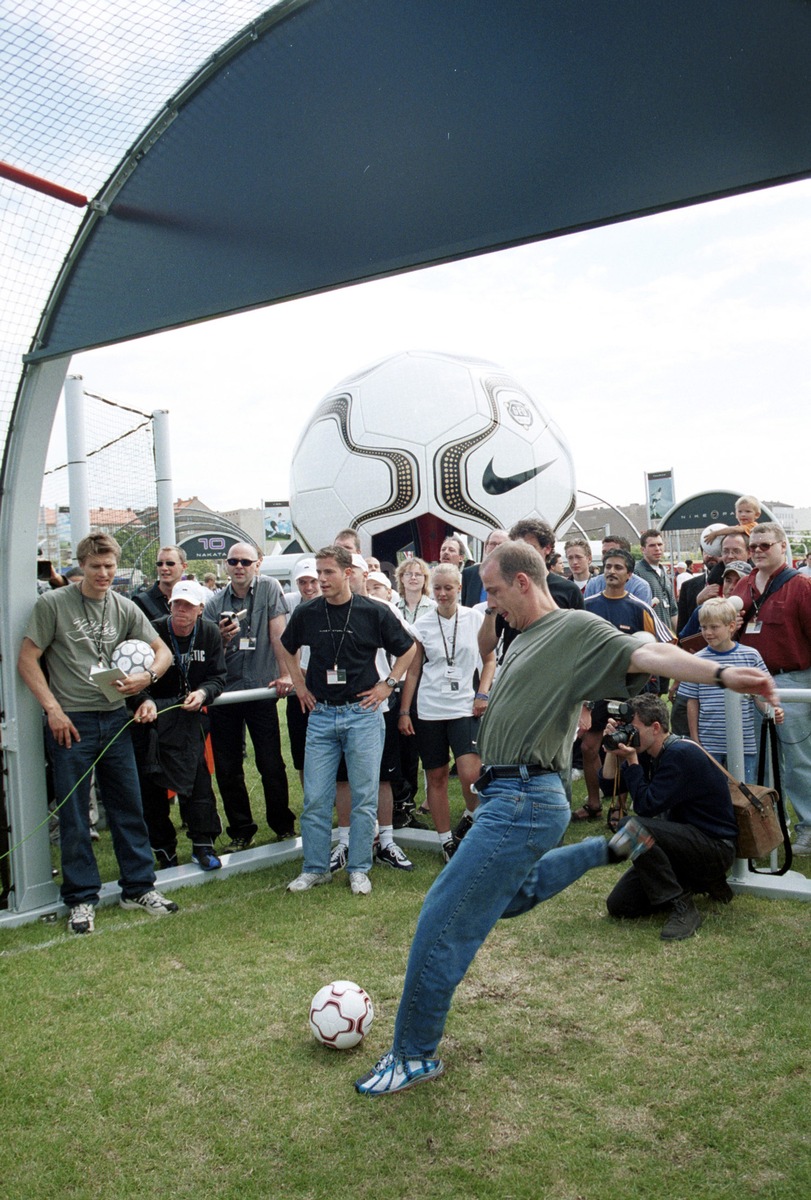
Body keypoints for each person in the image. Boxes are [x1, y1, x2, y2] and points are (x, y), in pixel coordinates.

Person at [353, 540, 778, 1095]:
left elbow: (647, 654)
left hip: (524, 799)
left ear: (524, 582)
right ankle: (606, 848)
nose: (491, 603)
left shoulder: (574, 628)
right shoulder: (521, 636)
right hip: (511, 796)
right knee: (509, 894)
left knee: (443, 918)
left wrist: (717, 675)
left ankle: (413, 1054)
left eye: (496, 591)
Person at [17, 533, 179, 934]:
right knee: (75, 814)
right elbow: (27, 658)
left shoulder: (124, 606)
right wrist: (52, 709)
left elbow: (164, 652)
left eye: (110, 567)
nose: (104, 574)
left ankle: (138, 888)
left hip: (116, 719)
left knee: (128, 804)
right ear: (82, 566)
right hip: (72, 722)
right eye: (96, 567)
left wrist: (147, 676)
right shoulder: (53, 604)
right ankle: (81, 898)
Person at [280, 545, 416, 895]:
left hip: (363, 715)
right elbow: (286, 646)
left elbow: (409, 648)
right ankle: (314, 868)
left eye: (328, 572)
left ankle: (358, 868)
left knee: (364, 796)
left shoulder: (373, 611)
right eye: (318, 573)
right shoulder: (308, 612)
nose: (321, 579)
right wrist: (298, 683)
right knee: (314, 798)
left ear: (346, 573)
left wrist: (388, 685)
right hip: (322, 714)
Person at [603, 695, 744, 937]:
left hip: (714, 847)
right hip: (682, 846)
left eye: (633, 729)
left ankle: (682, 905)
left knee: (631, 827)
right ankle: (700, 882)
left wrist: (632, 761)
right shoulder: (650, 751)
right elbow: (607, 782)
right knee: (619, 905)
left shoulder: (680, 754)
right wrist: (612, 748)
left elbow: (646, 807)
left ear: (655, 727)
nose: (630, 736)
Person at [398, 564, 494, 861]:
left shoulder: (475, 618)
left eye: (448, 588)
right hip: (429, 710)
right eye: (437, 588)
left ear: (459, 589)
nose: (441, 593)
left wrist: (482, 693)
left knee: (471, 773)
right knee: (436, 776)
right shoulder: (422, 625)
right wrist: (404, 711)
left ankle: (471, 818)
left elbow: (489, 661)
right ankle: (445, 841)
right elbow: (413, 673)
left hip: (465, 707)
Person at [130, 580, 227, 870]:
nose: (180, 611)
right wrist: (143, 699)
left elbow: (218, 676)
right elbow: (134, 673)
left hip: (189, 716)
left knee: (198, 782)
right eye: (176, 604)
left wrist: (203, 693)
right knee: (152, 785)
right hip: (152, 718)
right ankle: (163, 850)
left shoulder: (209, 632)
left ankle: (203, 845)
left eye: (187, 606)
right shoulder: (153, 629)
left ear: (200, 609)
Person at [204, 542, 296, 850]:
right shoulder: (214, 602)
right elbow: (207, 650)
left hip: (259, 688)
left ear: (258, 563)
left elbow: (278, 635)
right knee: (228, 768)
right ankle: (241, 831)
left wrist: (285, 674)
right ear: (226, 565)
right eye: (233, 561)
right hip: (225, 693)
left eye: (245, 561)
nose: (239, 566)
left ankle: (282, 825)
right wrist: (220, 635)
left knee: (270, 762)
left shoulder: (269, 588)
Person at [574, 548, 674, 823]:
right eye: (608, 566)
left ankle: (620, 805)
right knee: (588, 747)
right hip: (596, 690)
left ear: (629, 575)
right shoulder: (587, 605)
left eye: (619, 567)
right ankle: (594, 803)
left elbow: (665, 643)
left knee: (623, 746)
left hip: (631, 693)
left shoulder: (639, 608)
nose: (612, 571)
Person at [731, 522, 811, 855]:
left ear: (782, 547)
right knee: (757, 758)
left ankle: (808, 826)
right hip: (748, 683)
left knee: (796, 758)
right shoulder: (743, 586)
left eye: (765, 545)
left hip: (790, 681)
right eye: (753, 547)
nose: (758, 551)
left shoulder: (801, 587)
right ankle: (768, 828)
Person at [678, 597, 781, 782]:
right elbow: (692, 701)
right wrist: (695, 739)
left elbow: (760, 695)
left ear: (731, 626)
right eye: (703, 627)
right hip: (709, 742)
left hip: (743, 743)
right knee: (712, 793)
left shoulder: (750, 656)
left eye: (714, 627)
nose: (707, 633)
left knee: (744, 794)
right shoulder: (696, 661)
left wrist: (773, 711)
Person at [584, 535, 652, 604]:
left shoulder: (640, 587)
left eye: (612, 552)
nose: (607, 556)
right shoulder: (593, 584)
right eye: (604, 553)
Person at [634, 530, 677, 630]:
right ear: (643, 549)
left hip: (667, 637)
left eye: (660, 544)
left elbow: (673, 611)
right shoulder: (636, 573)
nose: (657, 549)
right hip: (649, 636)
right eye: (652, 545)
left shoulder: (664, 572)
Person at [132, 545, 187, 621]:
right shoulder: (140, 602)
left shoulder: (194, 599)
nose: (164, 568)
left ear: (184, 566)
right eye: (159, 564)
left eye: (170, 563)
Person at [460, 529, 508, 606]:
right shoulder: (469, 574)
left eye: (502, 544)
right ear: (485, 547)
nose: (497, 548)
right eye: (493, 543)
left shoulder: (514, 574)